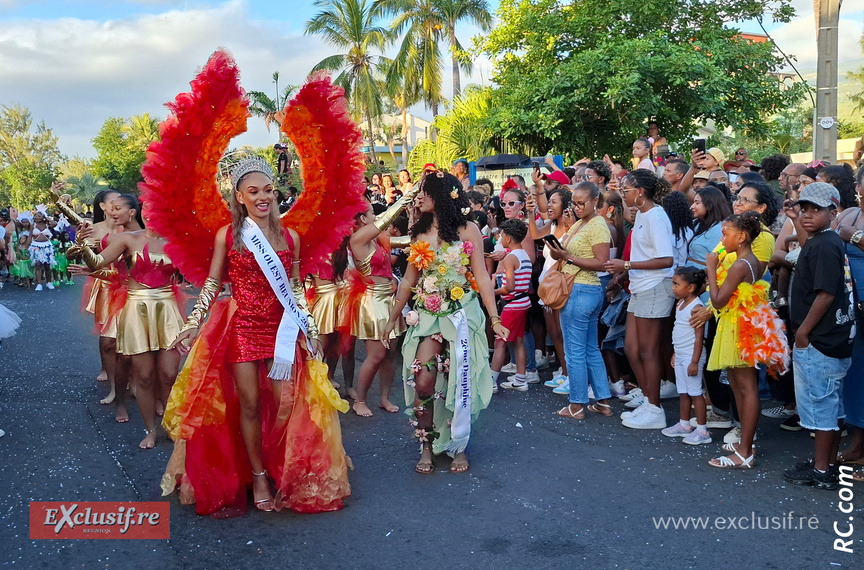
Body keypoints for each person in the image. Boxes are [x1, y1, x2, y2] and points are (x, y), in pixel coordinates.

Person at [166, 156, 350, 514]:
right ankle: (259, 474)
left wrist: (310, 329)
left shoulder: (289, 236)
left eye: (268, 190)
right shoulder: (229, 235)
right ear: (239, 196)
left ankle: (284, 465)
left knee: (286, 402)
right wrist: (193, 322)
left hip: (281, 328)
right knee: (249, 403)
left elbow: (295, 287)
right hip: (243, 327)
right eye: (254, 191)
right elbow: (213, 282)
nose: (263, 197)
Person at [382, 171, 508, 474]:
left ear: (444, 195)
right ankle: (426, 443)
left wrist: (494, 317)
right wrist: (391, 319)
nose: (419, 196)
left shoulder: (469, 230)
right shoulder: (418, 233)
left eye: (425, 191)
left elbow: (481, 277)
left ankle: (458, 444)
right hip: (427, 318)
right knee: (423, 380)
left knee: (458, 381)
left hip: (462, 316)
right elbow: (409, 281)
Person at [77, 194, 184, 450]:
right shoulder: (127, 239)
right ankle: (150, 430)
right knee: (144, 377)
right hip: (137, 310)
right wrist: (83, 246)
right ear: (143, 212)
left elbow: (196, 271)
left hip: (168, 310)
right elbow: (97, 263)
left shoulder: (177, 242)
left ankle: (171, 424)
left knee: (169, 374)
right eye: (149, 208)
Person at [783, 183, 854, 489]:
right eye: (805, 209)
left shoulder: (825, 245)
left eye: (816, 210)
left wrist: (803, 332)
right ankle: (826, 462)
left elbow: (825, 293)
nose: (808, 215)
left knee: (822, 407)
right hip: (831, 338)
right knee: (831, 406)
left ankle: (823, 472)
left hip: (820, 340)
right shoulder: (825, 240)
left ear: (833, 212)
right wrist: (797, 221)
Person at [705, 212, 787, 469]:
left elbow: (718, 300)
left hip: (738, 326)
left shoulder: (741, 264)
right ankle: (745, 445)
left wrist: (710, 266)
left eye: (725, 234)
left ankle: (745, 451)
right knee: (738, 384)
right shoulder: (745, 259)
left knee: (746, 386)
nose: (722, 239)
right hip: (736, 322)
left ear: (741, 237)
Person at [605, 170, 675, 429]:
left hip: (655, 287)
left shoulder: (656, 216)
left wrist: (626, 264)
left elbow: (667, 259)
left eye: (627, 190)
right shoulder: (643, 215)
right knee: (632, 348)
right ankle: (648, 400)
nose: (624, 194)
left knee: (647, 350)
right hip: (639, 287)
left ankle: (655, 409)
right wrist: (623, 272)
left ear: (641, 191)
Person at [344, 191, 418, 417]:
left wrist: (417, 219)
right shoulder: (357, 239)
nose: (376, 216)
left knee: (389, 353)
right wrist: (408, 196)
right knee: (376, 354)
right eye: (371, 213)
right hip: (372, 300)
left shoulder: (377, 240)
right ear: (361, 220)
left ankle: (384, 397)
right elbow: (387, 218)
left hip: (388, 298)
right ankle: (361, 399)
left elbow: (408, 240)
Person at [547, 181, 613, 419]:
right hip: (585, 291)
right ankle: (603, 402)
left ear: (596, 201)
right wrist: (560, 253)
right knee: (589, 349)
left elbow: (602, 262)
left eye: (581, 203)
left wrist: (569, 257)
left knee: (574, 351)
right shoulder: (580, 223)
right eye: (574, 203)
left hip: (581, 290)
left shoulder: (597, 226)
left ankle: (576, 405)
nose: (576, 207)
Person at [527, 187, 573, 390]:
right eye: (550, 201)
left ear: (565, 205)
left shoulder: (575, 227)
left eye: (554, 202)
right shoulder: (552, 225)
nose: (549, 206)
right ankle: (564, 372)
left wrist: (571, 228)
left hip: (561, 285)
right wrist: (530, 213)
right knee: (554, 333)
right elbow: (535, 233)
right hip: (547, 285)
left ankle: (572, 375)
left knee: (564, 333)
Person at [662, 266, 710, 445]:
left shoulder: (696, 307)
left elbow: (699, 338)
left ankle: (702, 431)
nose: (673, 287)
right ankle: (684, 425)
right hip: (682, 354)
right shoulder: (680, 304)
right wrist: (676, 352)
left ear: (690, 287)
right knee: (683, 392)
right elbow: (679, 330)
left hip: (692, 356)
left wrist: (695, 362)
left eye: (676, 284)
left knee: (696, 393)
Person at [490, 219, 533, 392]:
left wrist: (491, 293)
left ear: (507, 238)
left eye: (501, 236)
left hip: (511, 305)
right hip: (523, 303)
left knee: (500, 341)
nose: (500, 238)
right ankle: (521, 379)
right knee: (518, 341)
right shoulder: (525, 256)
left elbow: (509, 287)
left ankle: (491, 381)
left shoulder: (510, 258)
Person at [29, 208, 57, 291]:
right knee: (38, 265)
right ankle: (39, 284)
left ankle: (49, 282)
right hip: (36, 246)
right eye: (36, 216)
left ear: (43, 217)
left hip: (46, 246)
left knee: (47, 265)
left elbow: (54, 224)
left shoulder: (47, 224)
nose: (37, 217)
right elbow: (30, 236)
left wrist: (47, 217)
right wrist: (24, 247)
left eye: (39, 216)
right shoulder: (32, 225)